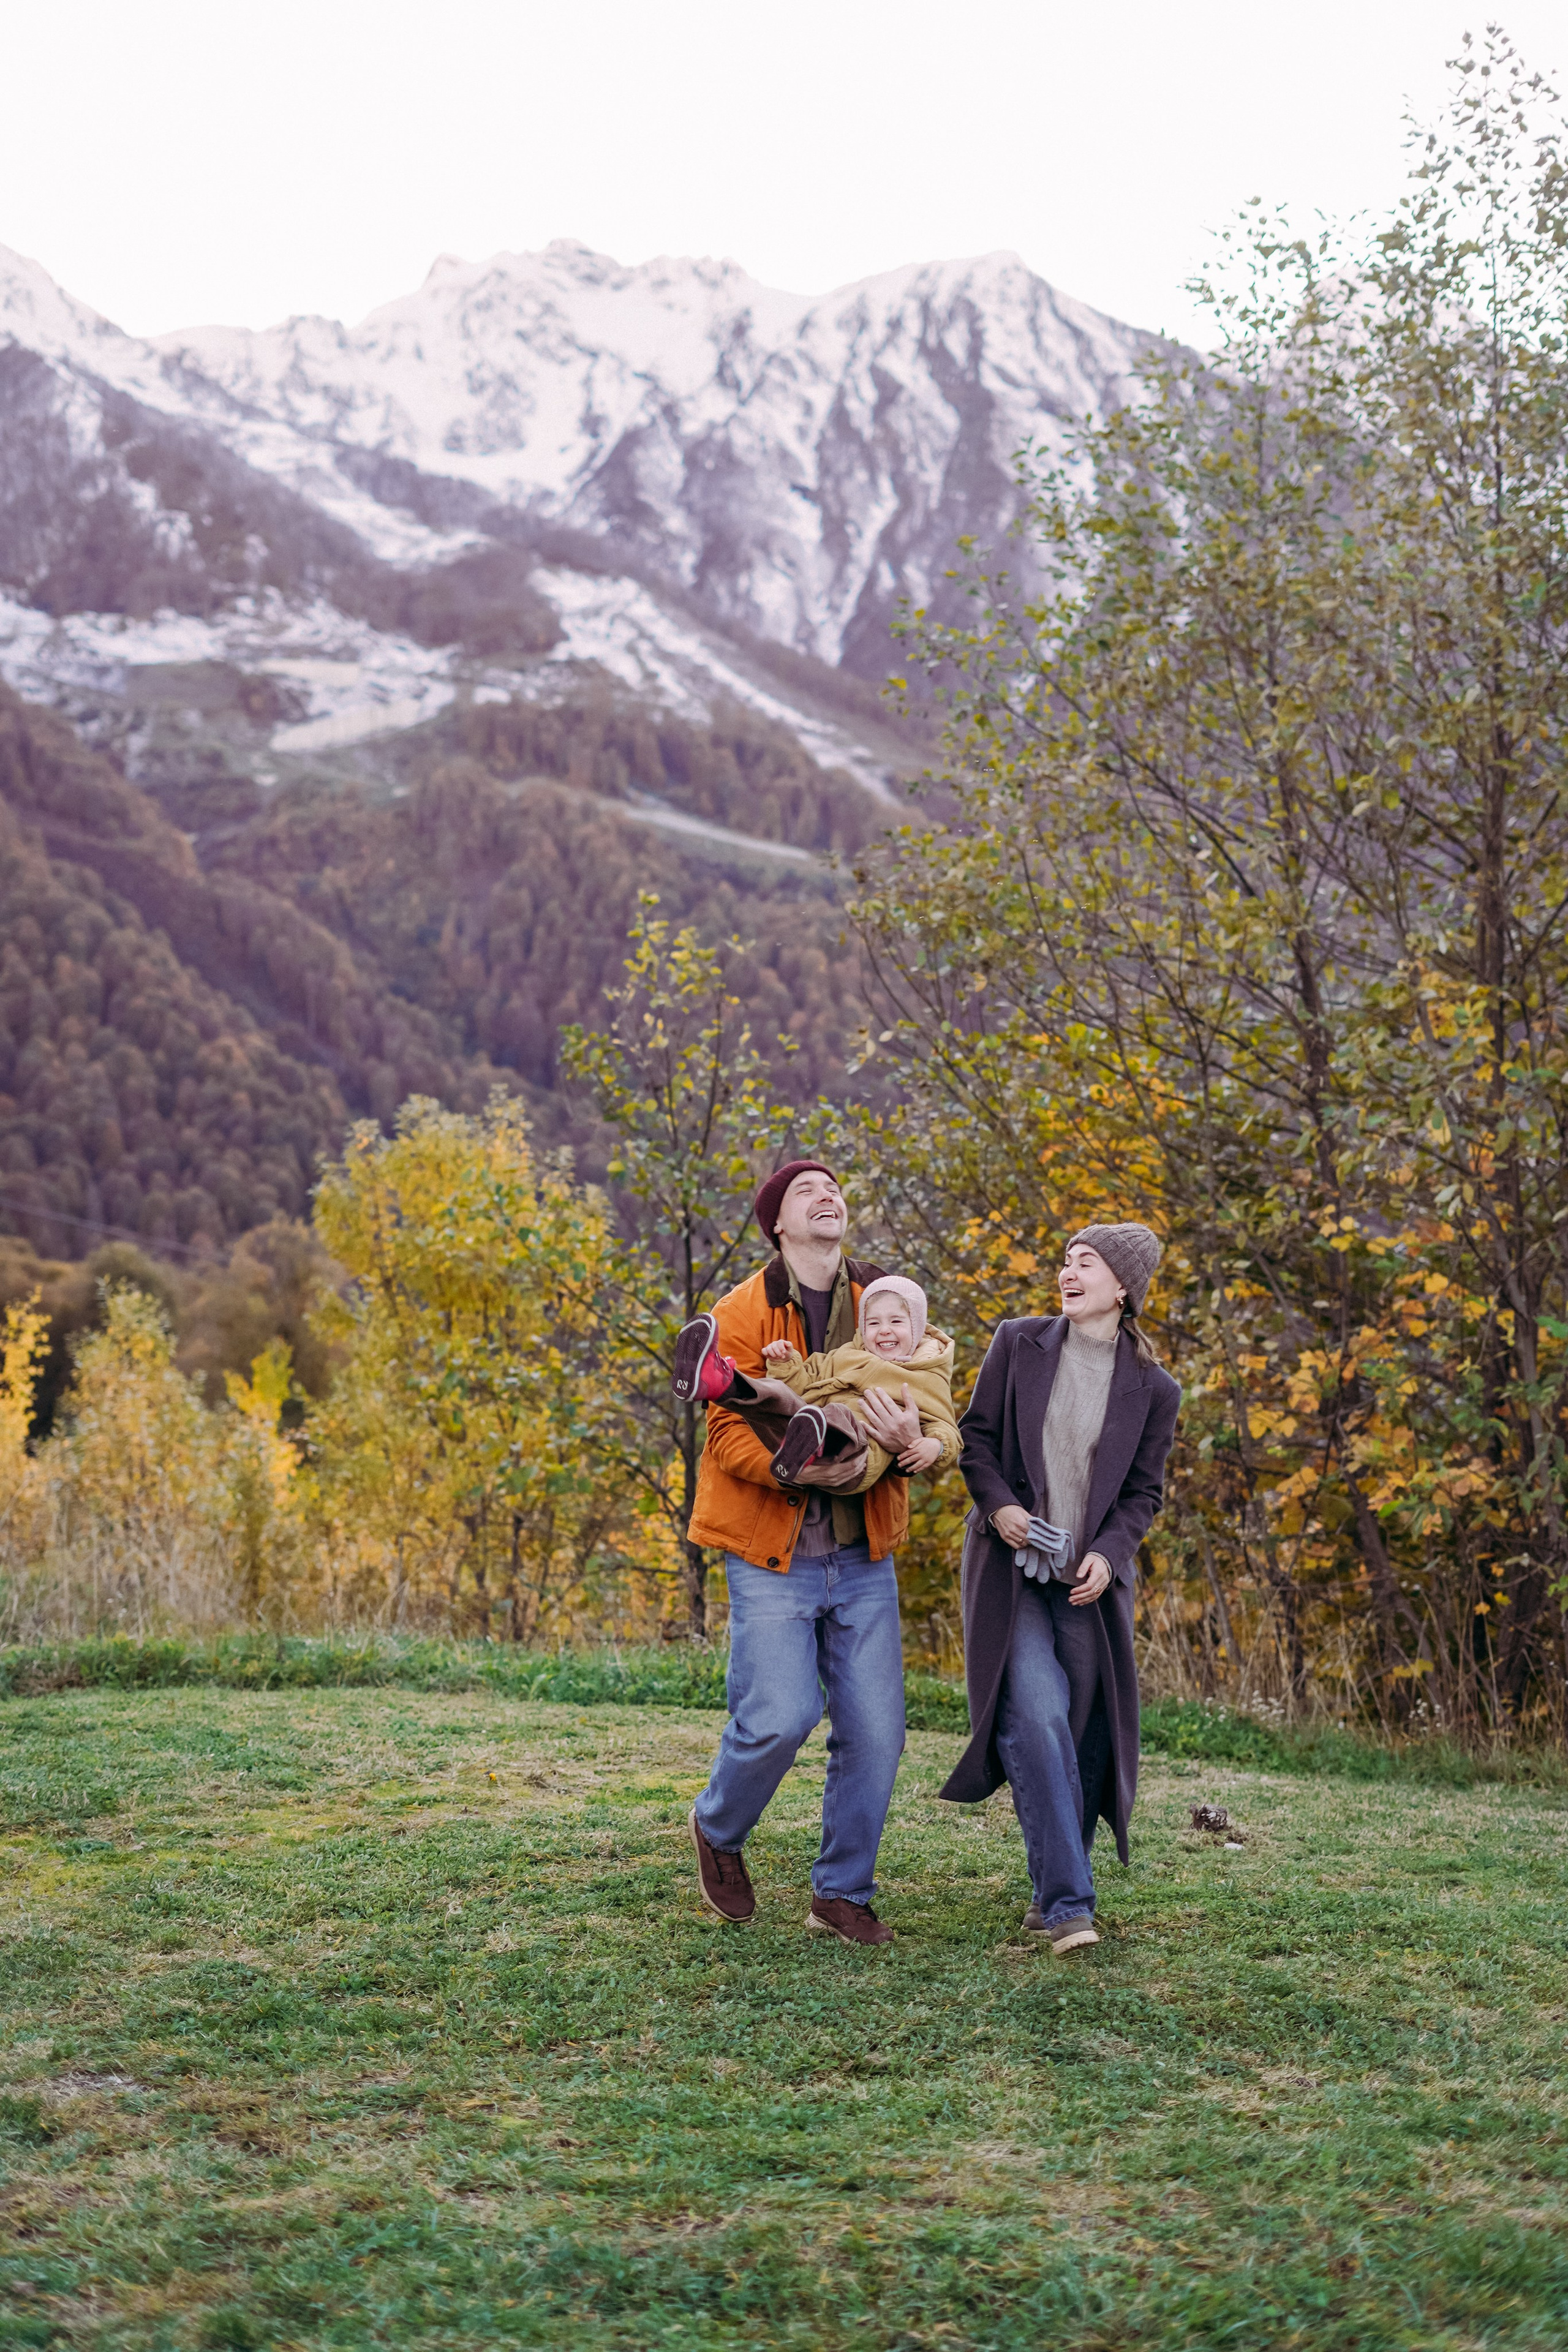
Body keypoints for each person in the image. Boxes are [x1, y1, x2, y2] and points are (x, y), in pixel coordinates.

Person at [680, 1161, 939, 1947]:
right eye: (806, 1192)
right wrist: (790, 1468)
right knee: (779, 1717)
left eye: (834, 1188)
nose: (828, 1197)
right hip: (773, 1548)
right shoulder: (742, 1308)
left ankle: (841, 1893)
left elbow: (929, 1392)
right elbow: (724, 1439)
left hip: (862, 1551)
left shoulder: (884, 1302)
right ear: (777, 1225)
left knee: (876, 1729)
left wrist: (917, 1446)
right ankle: (717, 1829)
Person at [940, 1223, 1180, 1953]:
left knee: (1081, 1730)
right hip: (1009, 1574)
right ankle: (1069, 1903)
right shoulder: (1018, 1342)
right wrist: (1001, 1508)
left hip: (1086, 1586)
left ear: (1123, 1288)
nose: (1068, 1273)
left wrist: (1110, 1553)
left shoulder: (1155, 1389)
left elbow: (1144, 1494)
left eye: (1087, 1264)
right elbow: (973, 1438)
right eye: (1066, 1263)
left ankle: (1054, 1891)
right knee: (1036, 1713)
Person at [674, 1273, 960, 1491]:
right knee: (779, 1394)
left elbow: (947, 1429)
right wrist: (785, 1363)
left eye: (896, 1322)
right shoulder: (847, 1354)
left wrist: (932, 1446)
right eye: (873, 1324)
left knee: (840, 1417)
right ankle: (721, 1383)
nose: (884, 1331)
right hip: (809, 1428)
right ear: (863, 1328)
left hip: (856, 1458)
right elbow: (803, 1383)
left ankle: (815, 1436)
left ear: (918, 1327)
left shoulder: (927, 1374)